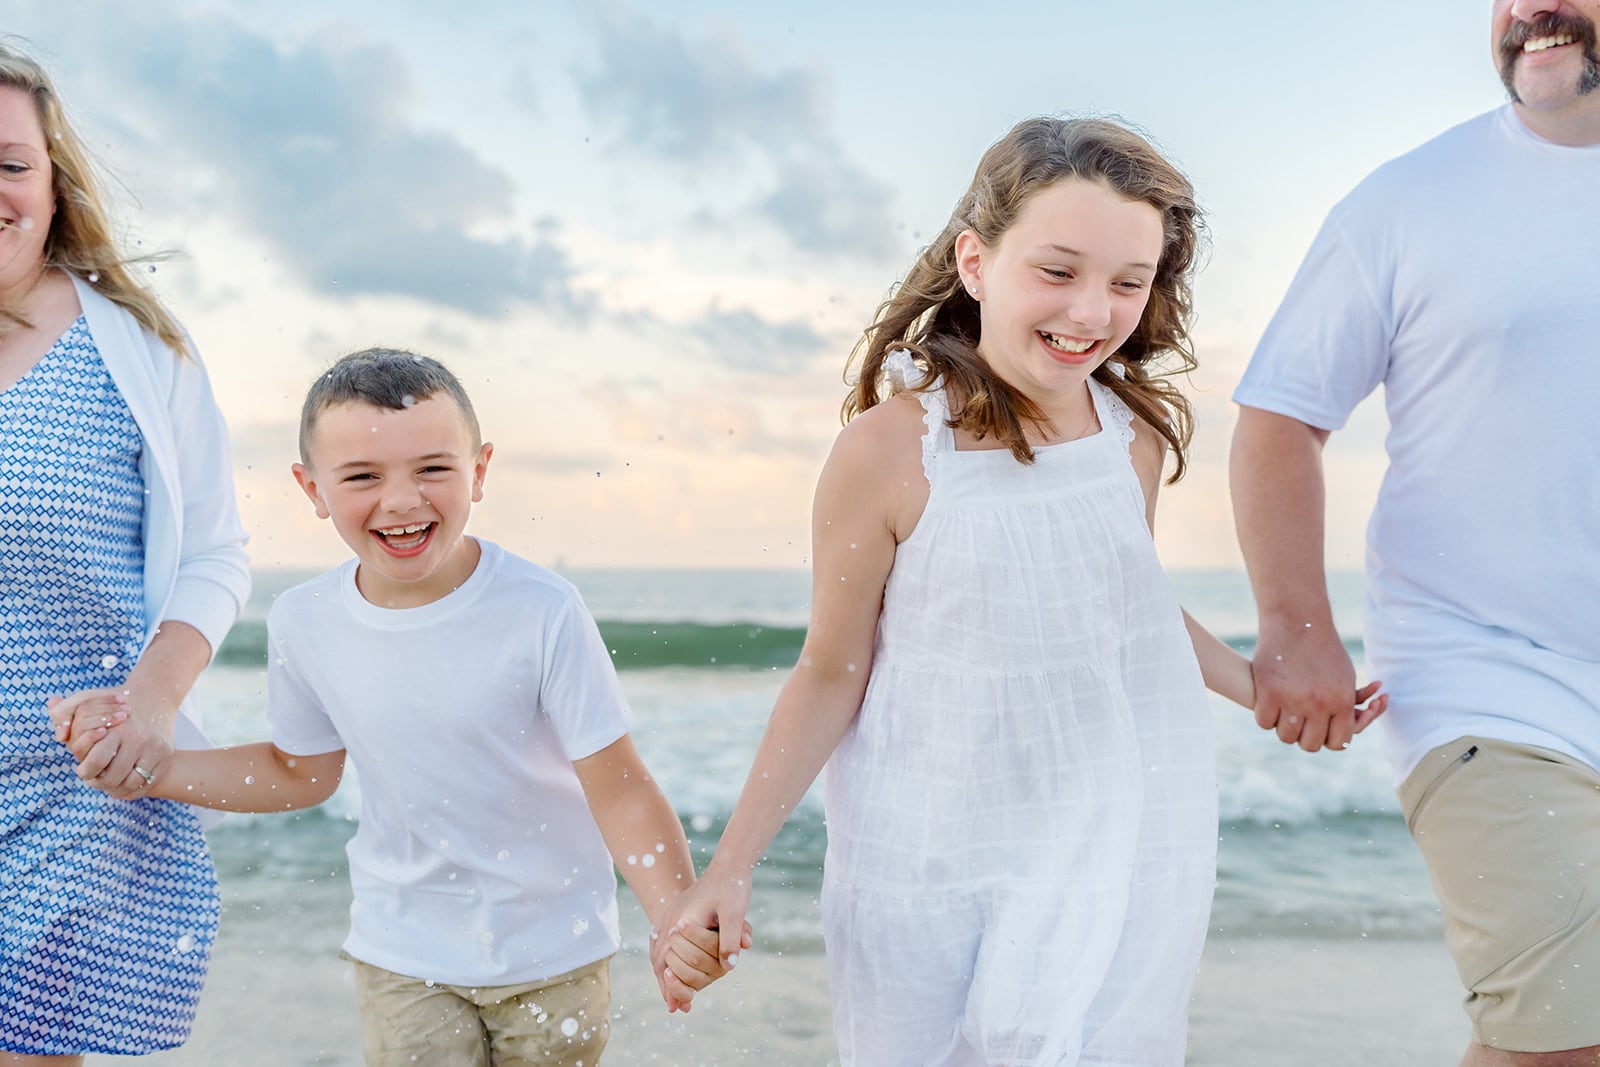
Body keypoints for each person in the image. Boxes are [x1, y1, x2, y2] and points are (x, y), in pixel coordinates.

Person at [651, 116, 1385, 1065]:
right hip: (926, 858)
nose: (1091, 311)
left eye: (1127, 282)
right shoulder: (891, 450)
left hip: (1109, 841)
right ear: (976, 261)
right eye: (1058, 270)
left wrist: (1262, 686)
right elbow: (831, 670)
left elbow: (1127, 608)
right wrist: (731, 866)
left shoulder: (1131, 438)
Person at [55, 349, 737, 1066]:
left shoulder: (542, 609)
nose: (403, 500)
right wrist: (155, 768)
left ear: (480, 470)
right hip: (404, 952)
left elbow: (619, 788)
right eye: (362, 477)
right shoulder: (305, 620)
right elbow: (298, 772)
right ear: (312, 488)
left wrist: (673, 914)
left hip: (554, 950)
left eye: (433, 468)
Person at [1230, 1, 1600, 1063]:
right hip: (1488, 675)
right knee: (1562, 1033)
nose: (1529, 11)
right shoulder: (1407, 201)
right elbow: (1279, 417)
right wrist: (1296, 625)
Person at [0, 41, 251, 1064]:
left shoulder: (139, 348)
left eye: (11, 164)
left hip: (71, 784)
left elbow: (215, 553)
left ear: (54, 185)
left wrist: (151, 701)